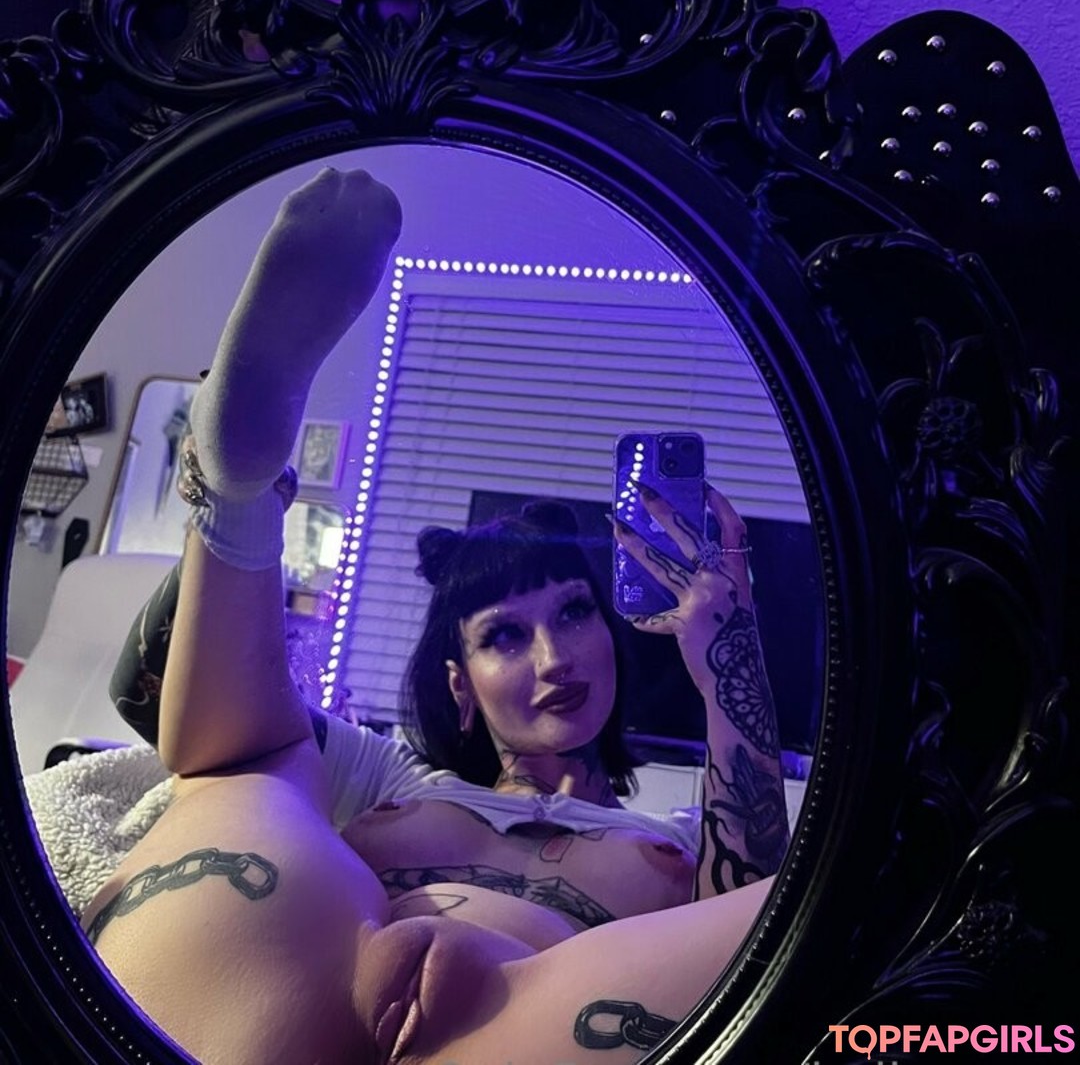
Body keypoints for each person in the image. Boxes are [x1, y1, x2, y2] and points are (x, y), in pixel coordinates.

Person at [86, 166, 782, 1064]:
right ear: (460, 684)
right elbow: (172, 713)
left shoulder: (679, 836)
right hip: (288, 959)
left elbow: (766, 935)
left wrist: (729, 658)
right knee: (250, 766)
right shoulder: (389, 773)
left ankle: (234, 493)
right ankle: (237, 491)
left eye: (575, 613)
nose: (554, 657)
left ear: (614, 639)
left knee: (784, 907)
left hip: (540, 1019)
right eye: (505, 634)